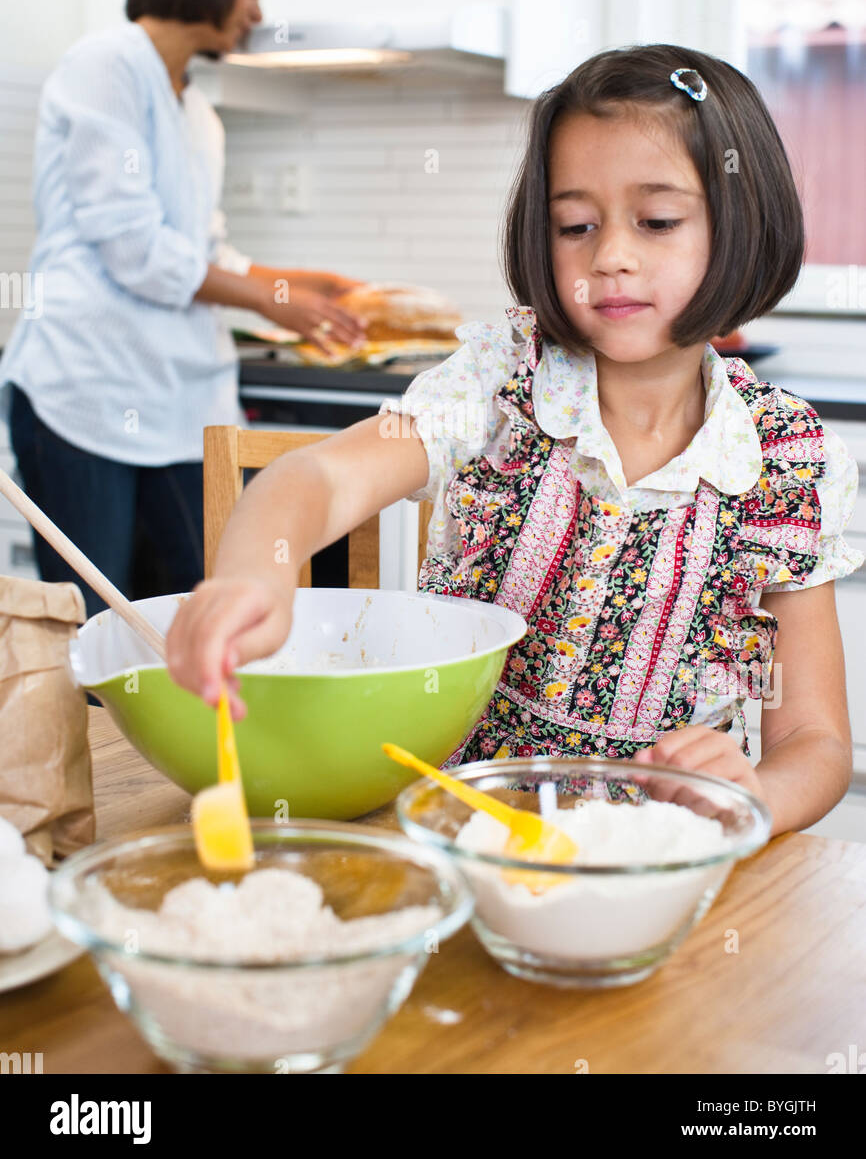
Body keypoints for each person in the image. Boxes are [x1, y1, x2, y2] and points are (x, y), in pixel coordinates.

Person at [164, 42, 864, 839]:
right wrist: (256, 573)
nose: (611, 257)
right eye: (576, 225)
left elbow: (815, 742)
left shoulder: (784, 460)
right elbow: (317, 479)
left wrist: (753, 798)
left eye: (658, 221)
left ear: (742, 224)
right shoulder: (501, 385)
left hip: (661, 861)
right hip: (462, 834)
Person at [0, 0, 364, 614]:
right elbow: (134, 247)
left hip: (178, 404)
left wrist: (300, 285)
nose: (257, 11)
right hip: (85, 393)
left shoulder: (198, 111)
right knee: (91, 626)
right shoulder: (104, 66)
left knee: (205, 610)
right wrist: (266, 299)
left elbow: (203, 252)